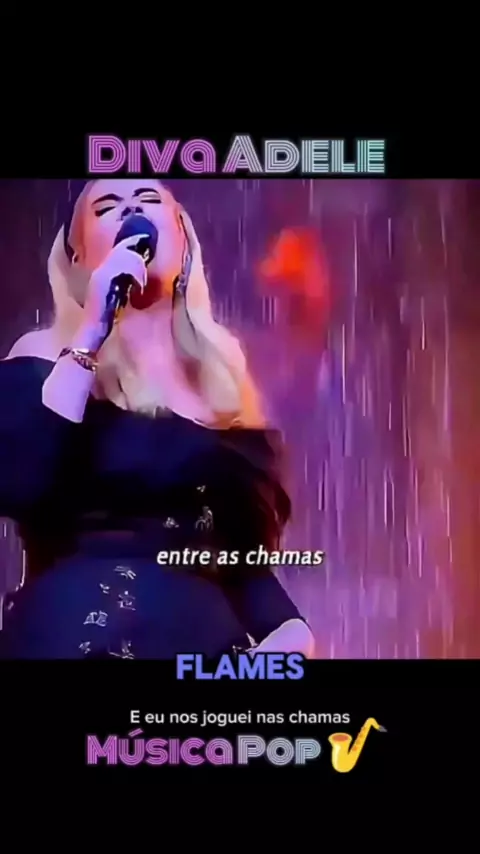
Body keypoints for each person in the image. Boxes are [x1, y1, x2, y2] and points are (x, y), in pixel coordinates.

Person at [0, 178, 314, 660]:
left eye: (148, 200)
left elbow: (236, 562)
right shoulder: (46, 358)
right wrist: (91, 335)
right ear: (78, 260)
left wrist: (289, 634)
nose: (131, 209)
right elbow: (20, 482)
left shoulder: (220, 391)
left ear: (183, 241)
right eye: (107, 206)